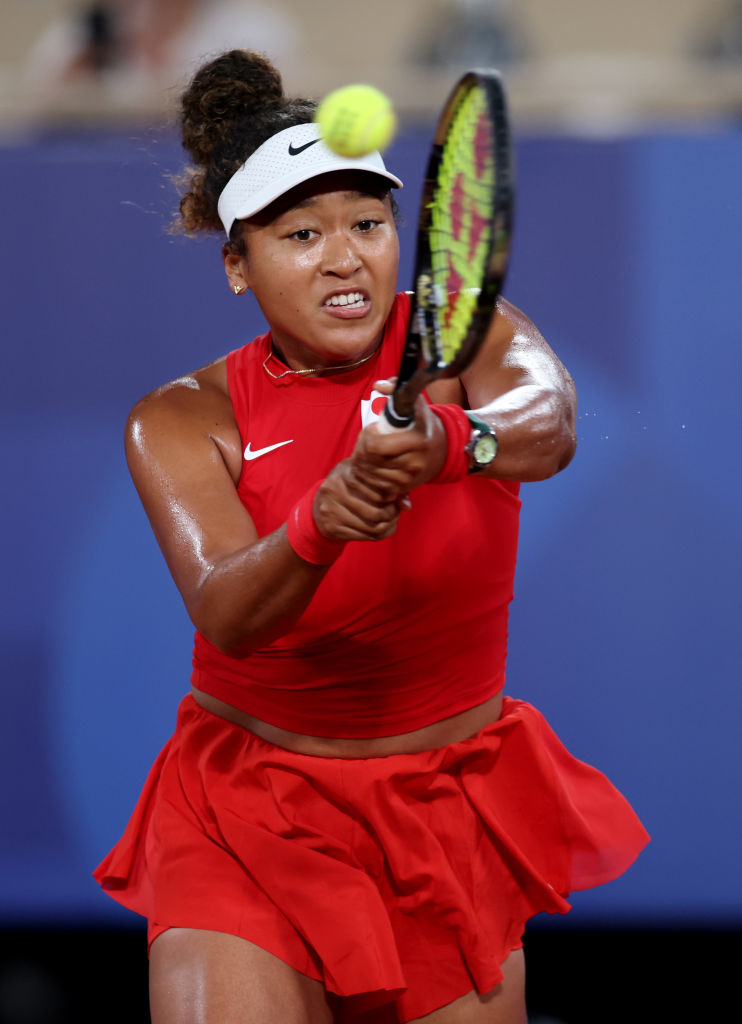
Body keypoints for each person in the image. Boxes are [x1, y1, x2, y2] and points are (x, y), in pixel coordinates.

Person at [94, 49, 649, 1024]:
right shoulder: (181, 417)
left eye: (367, 222)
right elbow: (227, 609)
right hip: (246, 810)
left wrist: (445, 438)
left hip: (444, 803)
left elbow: (548, 420)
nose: (345, 256)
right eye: (301, 233)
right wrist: (324, 517)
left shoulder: (462, 338)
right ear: (237, 263)